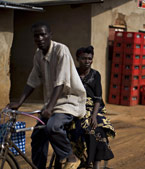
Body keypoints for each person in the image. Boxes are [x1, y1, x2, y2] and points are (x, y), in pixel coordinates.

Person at [7, 22, 86, 169]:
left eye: (43, 34)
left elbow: (61, 82)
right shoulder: (38, 55)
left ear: (50, 35)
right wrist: (19, 102)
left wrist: (49, 107)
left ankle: (70, 157)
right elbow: (32, 81)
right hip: (52, 103)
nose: (40, 38)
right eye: (36, 36)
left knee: (53, 127)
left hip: (68, 102)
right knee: (37, 136)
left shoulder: (61, 50)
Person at [74, 46, 115, 169]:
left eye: (89, 59)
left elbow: (98, 98)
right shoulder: (73, 73)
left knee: (97, 130)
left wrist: (93, 116)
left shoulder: (96, 75)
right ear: (77, 59)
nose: (87, 61)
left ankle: (94, 164)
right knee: (70, 129)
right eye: (83, 58)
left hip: (94, 108)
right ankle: (79, 158)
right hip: (75, 106)